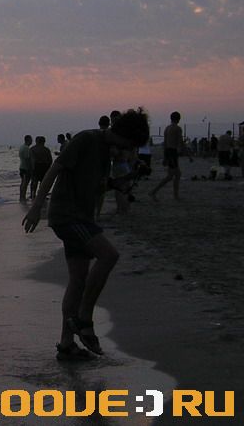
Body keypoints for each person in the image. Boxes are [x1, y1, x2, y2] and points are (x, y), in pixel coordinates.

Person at [23, 108, 150, 361]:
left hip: (81, 216)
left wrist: (121, 181)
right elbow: (54, 169)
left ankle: (66, 344)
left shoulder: (105, 152)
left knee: (78, 279)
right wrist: (36, 207)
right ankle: (84, 318)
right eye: (127, 146)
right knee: (109, 255)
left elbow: (96, 187)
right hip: (68, 215)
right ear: (122, 135)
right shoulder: (85, 139)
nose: (126, 152)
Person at [149, 111, 192, 201]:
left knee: (176, 175)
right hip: (173, 152)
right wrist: (188, 155)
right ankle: (153, 192)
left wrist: (165, 157)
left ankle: (175, 196)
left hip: (169, 152)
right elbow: (181, 143)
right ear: (179, 119)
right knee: (171, 176)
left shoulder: (167, 128)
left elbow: (165, 144)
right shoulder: (177, 129)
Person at [19, 135, 33, 202]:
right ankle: (23, 197)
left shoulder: (21, 147)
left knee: (23, 182)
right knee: (25, 183)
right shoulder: (26, 148)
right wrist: (30, 168)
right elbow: (27, 159)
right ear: (28, 140)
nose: (32, 141)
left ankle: (21, 196)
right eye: (31, 140)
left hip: (21, 167)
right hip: (25, 168)